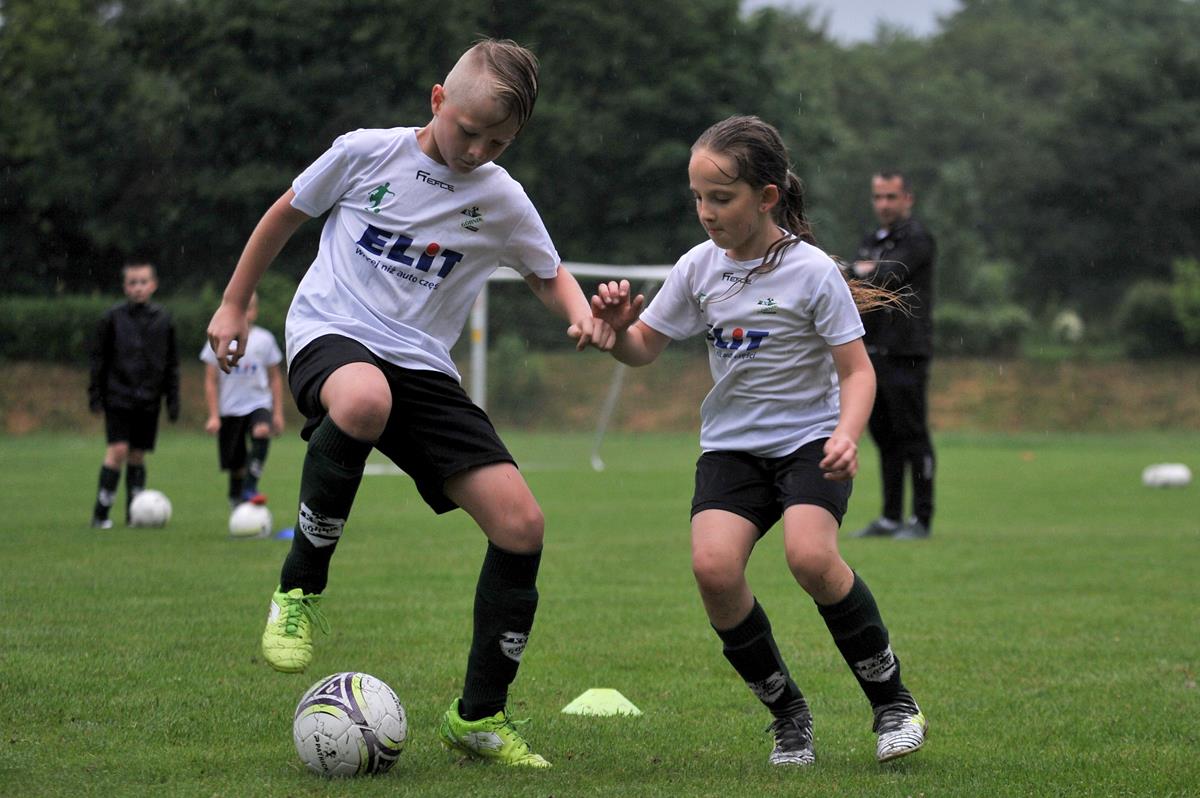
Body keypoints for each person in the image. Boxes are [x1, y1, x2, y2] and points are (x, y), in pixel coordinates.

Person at [206, 38, 613, 769]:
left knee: (521, 525)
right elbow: (283, 216)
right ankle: (298, 590)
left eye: (498, 142)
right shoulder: (367, 153)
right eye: (468, 131)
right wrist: (235, 304)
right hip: (332, 331)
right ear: (437, 100)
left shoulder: (501, 197)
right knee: (364, 398)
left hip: (422, 368)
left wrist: (582, 316)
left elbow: (547, 273)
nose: (477, 151)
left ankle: (478, 717)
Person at [580, 116, 927, 767]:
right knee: (713, 569)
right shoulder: (698, 268)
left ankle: (893, 704)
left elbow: (858, 372)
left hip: (810, 442)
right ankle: (789, 717)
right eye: (697, 197)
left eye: (721, 197)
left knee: (810, 558)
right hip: (732, 449)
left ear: (766, 196)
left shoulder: (812, 272)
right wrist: (616, 331)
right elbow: (643, 349)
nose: (706, 212)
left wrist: (847, 435)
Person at [849, 171, 937, 540]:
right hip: (873, 352)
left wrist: (861, 272)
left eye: (891, 196)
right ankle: (890, 517)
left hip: (906, 353)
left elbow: (884, 280)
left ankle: (921, 519)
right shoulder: (872, 240)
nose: (883, 204)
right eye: (878, 197)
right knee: (884, 435)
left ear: (907, 199)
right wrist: (860, 273)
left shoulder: (917, 239)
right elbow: (856, 284)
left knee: (912, 434)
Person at [88, 262, 180, 528]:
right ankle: (101, 513)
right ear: (125, 287)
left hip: (149, 398)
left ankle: (134, 514)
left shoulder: (164, 319)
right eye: (132, 282)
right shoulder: (112, 318)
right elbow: (99, 360)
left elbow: (171, 363)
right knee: (117, 450)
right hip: (118, 396)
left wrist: (172, 399)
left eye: (143, 282)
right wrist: (95, 394)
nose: (138, 287)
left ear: (153, 285)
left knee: (137, 454)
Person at [199, 292, 285, 509]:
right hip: (230, 409)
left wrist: (277, 413)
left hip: (259, 403)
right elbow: (210, 380)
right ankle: (237, 502)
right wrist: (213, 416)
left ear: (255, 311)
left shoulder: (265, 339)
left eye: (248, 308)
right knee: (236, 466)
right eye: (240, 308)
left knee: (261, 431)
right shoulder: (219, 337)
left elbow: (275, 378)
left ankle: (250, 487)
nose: (244, 313)